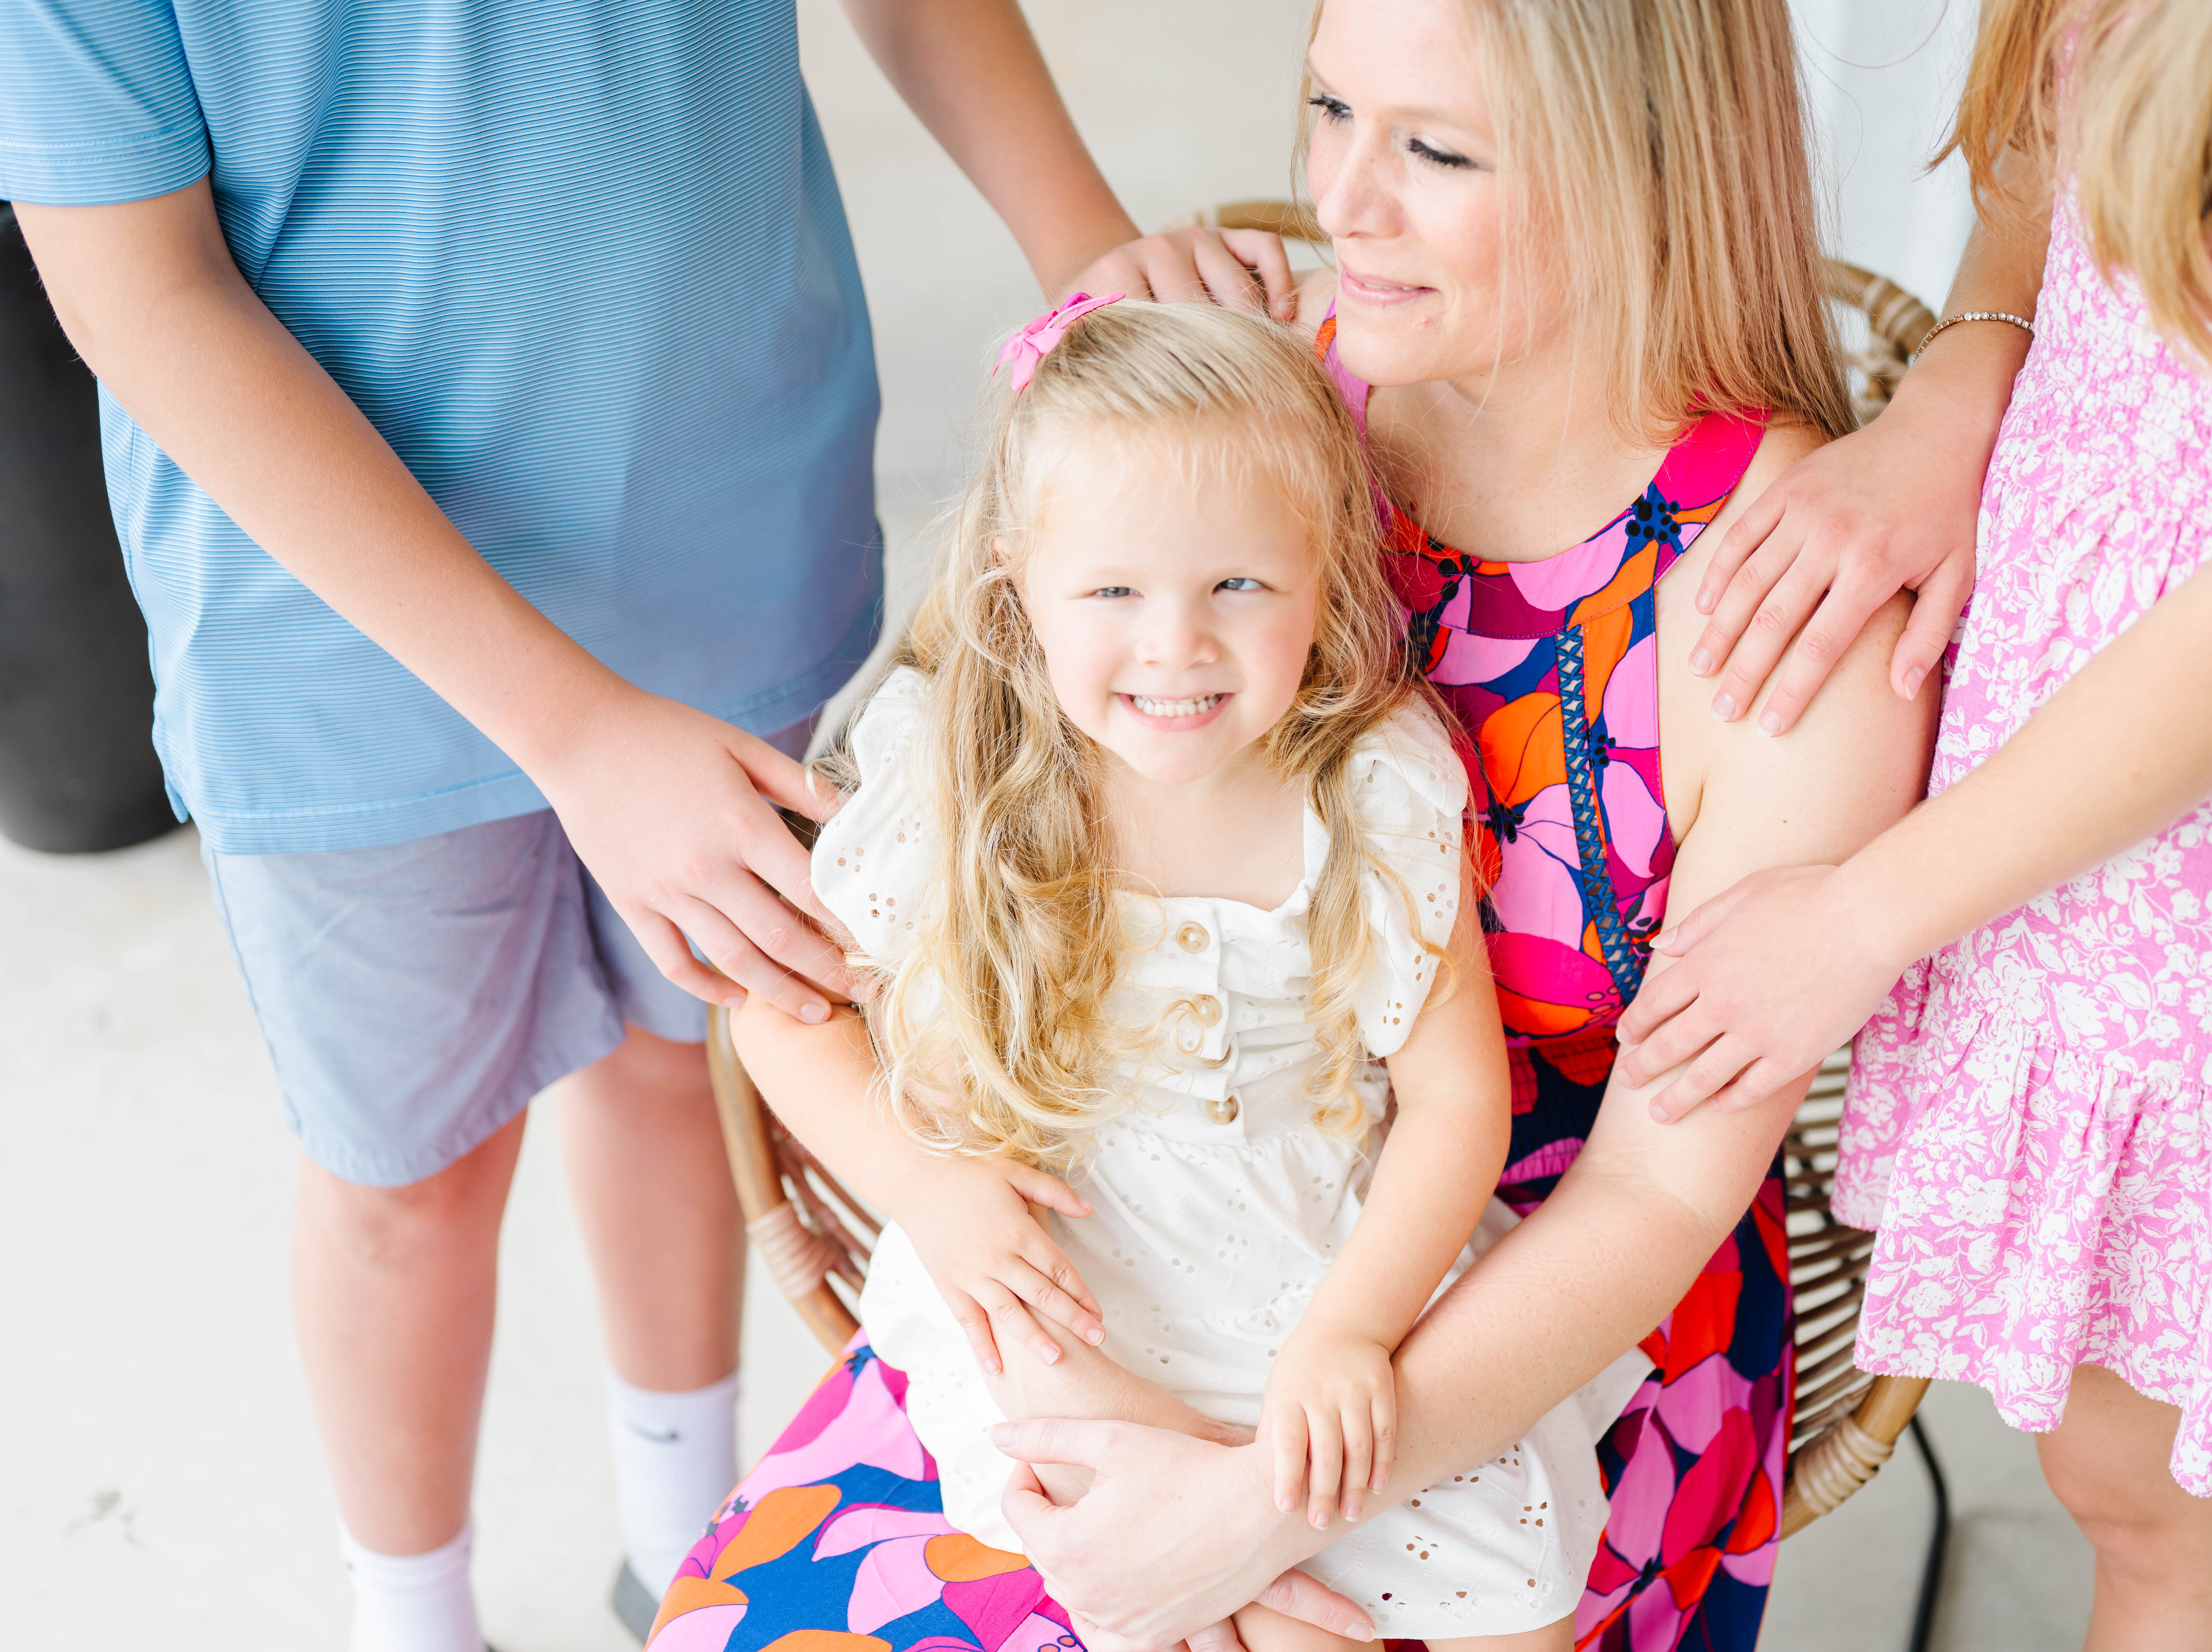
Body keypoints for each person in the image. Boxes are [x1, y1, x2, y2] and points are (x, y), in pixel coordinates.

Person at [2, 3, 1298, 1647]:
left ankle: (681, 1538)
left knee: (693, 1060)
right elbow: (140, 292)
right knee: (412, 1171)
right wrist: (576, 735)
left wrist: (1078, 239)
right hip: (333, 641)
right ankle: (413, 1620)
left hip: (729, 540)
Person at [673, 3, 1936, 1650]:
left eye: (1438, 150)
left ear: (1645, 169)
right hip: (1119, 1262)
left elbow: (1658, 1189)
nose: (1345, 204)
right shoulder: (1250, 403)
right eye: (1334, 106)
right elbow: (948, 830)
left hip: (1535, 1322)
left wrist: (1250, 1521)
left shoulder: (1777, 599)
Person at [1613, 0, 2212, 1646]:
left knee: (2160, 1503)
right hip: (2091, 764)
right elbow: (2056, 115)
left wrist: (1863, 919)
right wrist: (1970, 367)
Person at [771, 295, 1657, 1651]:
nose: (1176, 644)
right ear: (1019, 589)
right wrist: (928, 1192)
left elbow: (1459, 1101)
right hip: (1069, 1292)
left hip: (1320, 1266)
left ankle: (1254, 1563)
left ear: (1323, 573)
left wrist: (1352, 1330)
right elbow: (782, 1008)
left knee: (1518, 1602)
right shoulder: (958, 773)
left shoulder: (1372, 789)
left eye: (1238, 585)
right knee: (1155, 1526)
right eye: (1115, 590)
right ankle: (1248, 1588)